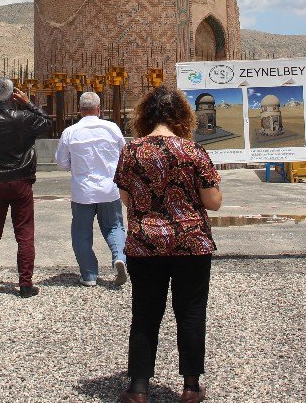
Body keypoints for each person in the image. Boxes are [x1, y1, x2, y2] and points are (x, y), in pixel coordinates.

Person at [113, 87, 223, 403]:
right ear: (182, 117)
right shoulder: (193, 152)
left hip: (145, 245)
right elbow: (213, 201)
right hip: (191, 244)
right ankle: (190, 387)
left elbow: (126, 198)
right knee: (190, 312)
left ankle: (138, 388)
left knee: (145, 314)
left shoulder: (131, 152)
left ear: (145, 115)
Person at [0, 76, 52, 298]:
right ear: (13, 94)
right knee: (24, 234)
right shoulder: (23, 117)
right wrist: (27, 103)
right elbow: (47, 123)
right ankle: (25, 284)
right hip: (21, 180)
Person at [55, 91, 128, 287]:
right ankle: (119, 256)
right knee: (114, 227)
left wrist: (76, 166)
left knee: (81, 233)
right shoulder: (112, 128)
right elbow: (125, 155)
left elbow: (61, 163)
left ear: (80, 110)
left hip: (82, 192)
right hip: (109, 189)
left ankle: (89, 275)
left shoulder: (70, 132)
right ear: (99, 109)